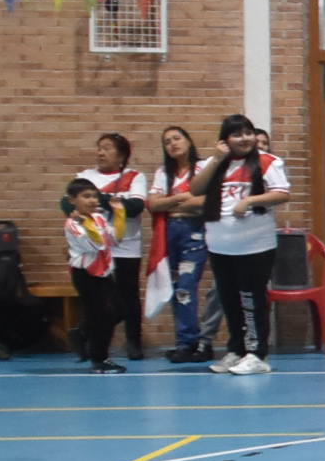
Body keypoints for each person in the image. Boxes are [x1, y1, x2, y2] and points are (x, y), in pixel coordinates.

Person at [195, 114, 288, 375]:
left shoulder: (268, 162)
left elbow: (282, 193)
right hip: (220, 245)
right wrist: (215, 159)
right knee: (229, 300)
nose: (244, 138)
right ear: (225, 140)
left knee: (251, 299)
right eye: (237, 134)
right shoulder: (215, 164)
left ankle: (257, 354)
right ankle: (236, 350)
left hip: (255, 246)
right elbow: (195, 189)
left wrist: (249, 201)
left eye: (248, 132)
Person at [74, 133, 148, 361]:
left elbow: (135, 206)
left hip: (126, 245)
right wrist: (114, 203)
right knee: (98, 298)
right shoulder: (85, 176)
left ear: (122, 154)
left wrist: (96, 199)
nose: (100, 153)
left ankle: (133, 341)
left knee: (128, 297)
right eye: (99, 148)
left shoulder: (135, 177)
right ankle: (89, 339)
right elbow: (67, 202)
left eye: (107, 148)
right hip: (94, 247)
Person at [149, 125, 213, 363]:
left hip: (194, 234)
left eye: (177, 138)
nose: (173, 144)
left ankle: (192, 342)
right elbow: (153, 204)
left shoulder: (203, 167)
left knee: (186, 287)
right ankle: (184, 342)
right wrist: (182, 198)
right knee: (174, 289)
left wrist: (172, 204)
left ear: (188, 141)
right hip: (169, 234)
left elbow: (208, 201)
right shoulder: (163, 173)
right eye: (167, 141)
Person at [62, 177, 128, 373]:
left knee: (120, 311)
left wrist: (120, 215)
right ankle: (100, 359)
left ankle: (82, 332)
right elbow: (96, 244)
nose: (92, 200)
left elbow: (115, 239)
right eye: (86, 196)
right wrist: (88, 226)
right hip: (86, 274)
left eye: (95, 196)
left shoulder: (98, 218)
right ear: (72, 200)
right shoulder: (73, 224)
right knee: (102, 316)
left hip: (105, 272)